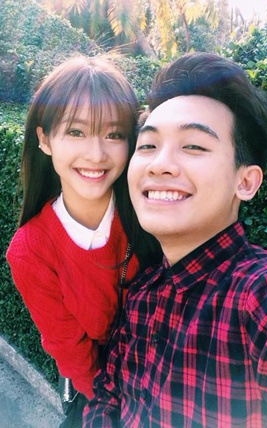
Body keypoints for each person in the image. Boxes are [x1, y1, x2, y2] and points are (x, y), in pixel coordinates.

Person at [83, 52, 267, 427]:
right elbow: (107, 397)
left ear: (245, 182)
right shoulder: (141, 294)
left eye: (193, 146)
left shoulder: (265, 293)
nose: (159, 164)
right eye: (148, 146)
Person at [5, 56, 161, 426]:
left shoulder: (153, 205)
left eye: (114, 135)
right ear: (45, 139)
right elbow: (75, 356)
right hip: (111, 397)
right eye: (76, 132)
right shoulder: (31, 251)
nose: (96, 155)